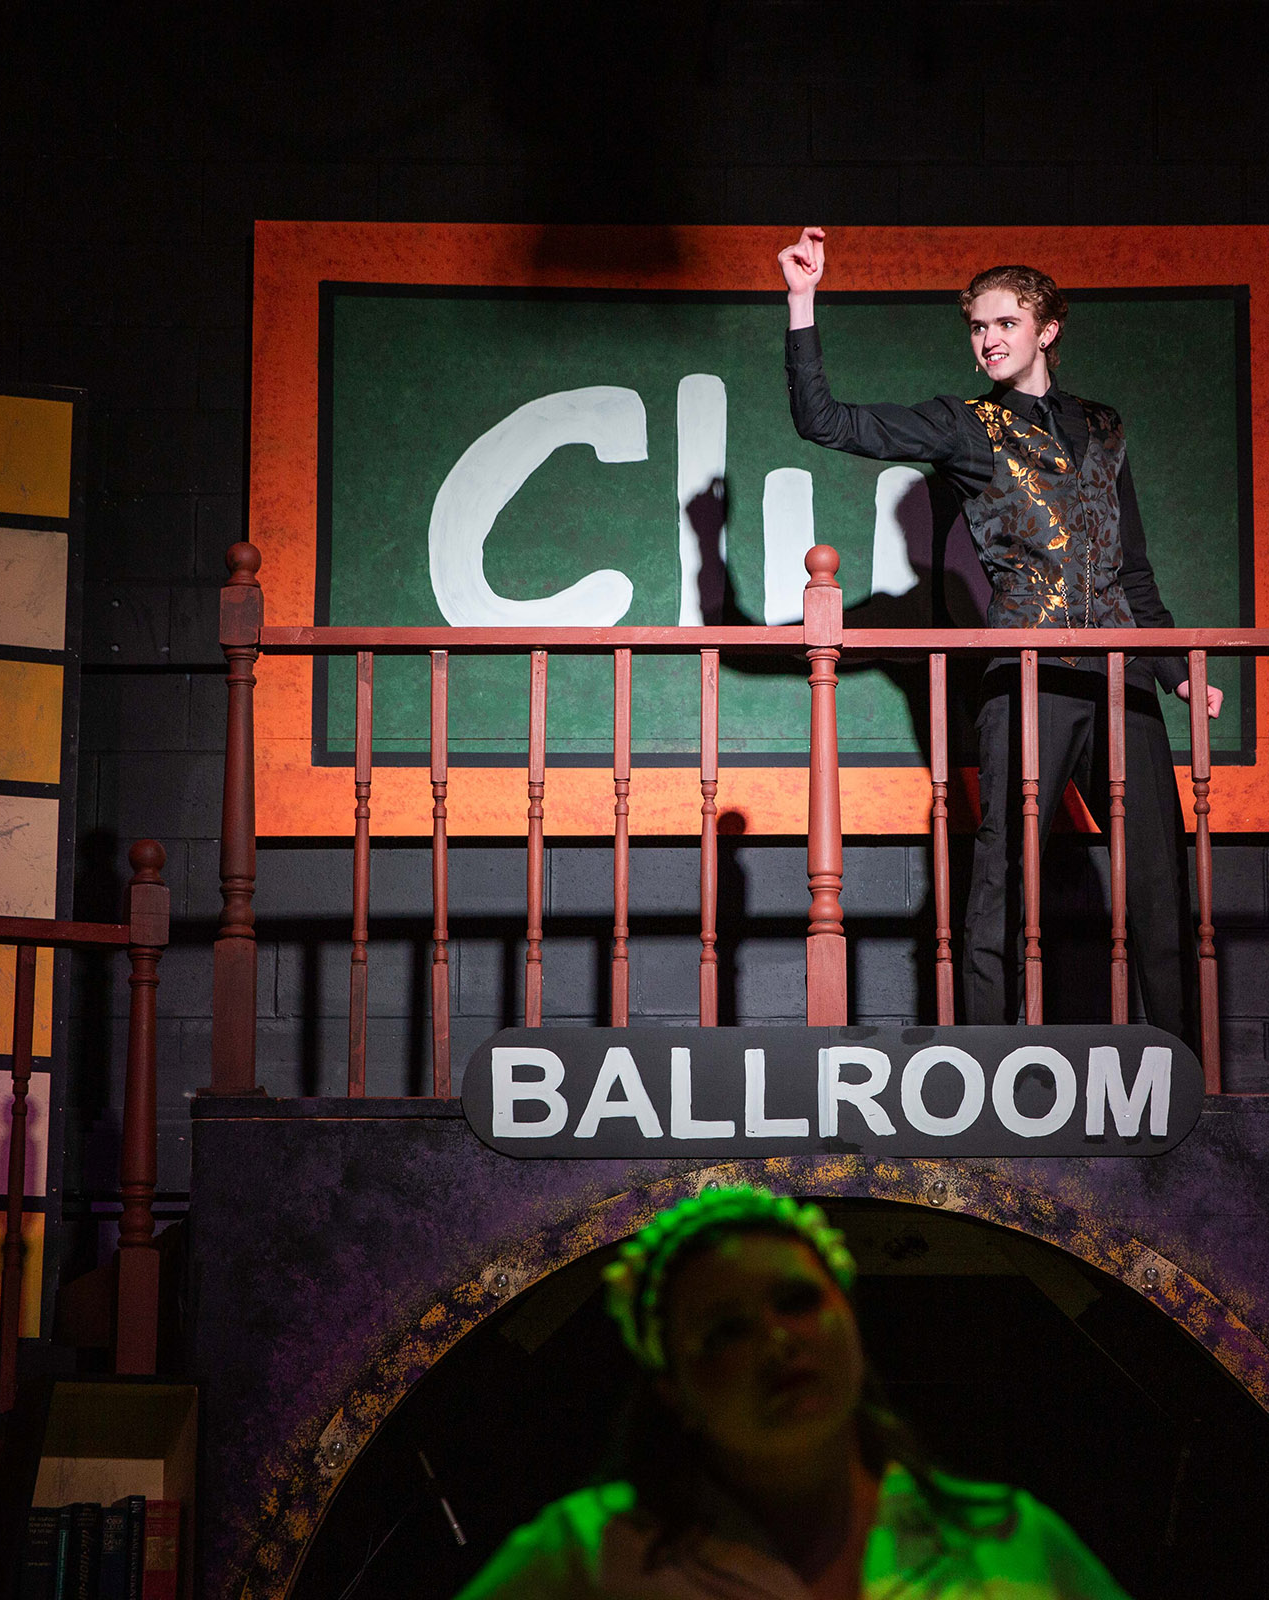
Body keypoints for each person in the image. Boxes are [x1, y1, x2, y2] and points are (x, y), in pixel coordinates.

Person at [776, 227, 1221, 1042]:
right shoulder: (964, 425)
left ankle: (1183, 1065)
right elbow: (827, 422)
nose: (988, 340)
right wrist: (802, 300)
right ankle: (986, 1056)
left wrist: (1176, 671)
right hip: (1026, 676)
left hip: (1121, 674)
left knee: (1160, 879)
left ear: (1046, 330)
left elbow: (1132, 568)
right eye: (979, 328)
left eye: (1006, 324)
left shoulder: (1103, 425)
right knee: (1005, 875)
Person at [455, 1185, 1128, 1598]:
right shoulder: (583, 1556)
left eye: (798, 1301)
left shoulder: (1010, 1539)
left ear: (850, 1317)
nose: (778, 1341)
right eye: (727, 1330)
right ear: (671, 1388)